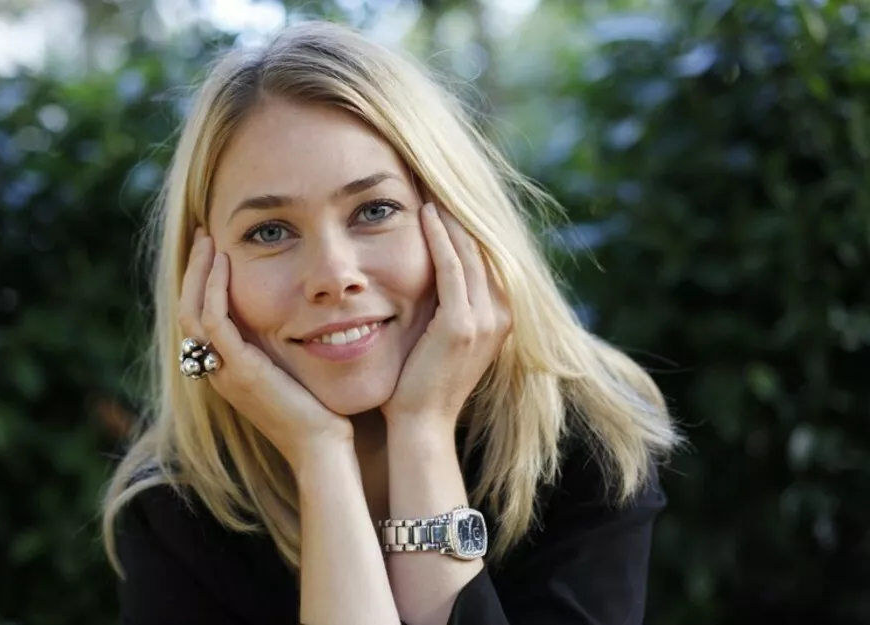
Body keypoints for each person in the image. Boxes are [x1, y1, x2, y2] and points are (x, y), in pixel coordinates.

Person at [101, 20, 680, 625]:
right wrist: (320, 456)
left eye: (375, 210)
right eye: (270, 232)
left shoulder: (586, 442)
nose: (333, 275)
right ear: (200, 274)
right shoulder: (174, 504)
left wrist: (421, 431)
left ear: (461, 223)